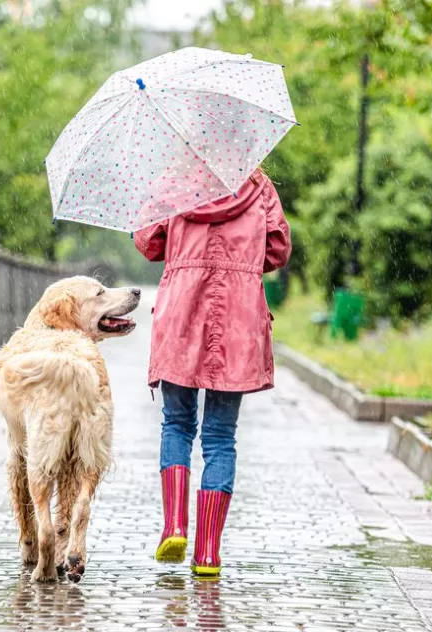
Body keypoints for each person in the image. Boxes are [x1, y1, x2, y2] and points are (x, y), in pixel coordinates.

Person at [133, 168, 292, 576]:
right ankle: (207, 553)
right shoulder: (258, 186)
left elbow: (149, 242)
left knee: (177, 424)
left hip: (182, 312)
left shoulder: (172, 180)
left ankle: (174, 526)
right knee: (221, 437)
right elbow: (277, 251)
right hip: (238, 318)